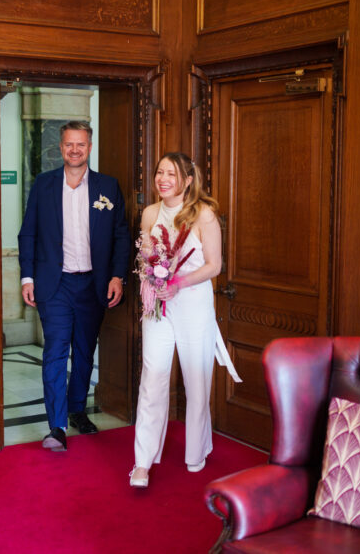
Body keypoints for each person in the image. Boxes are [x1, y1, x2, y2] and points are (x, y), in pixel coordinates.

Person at [129, 152, 242, 488]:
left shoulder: (204, 215)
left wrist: (177, 283)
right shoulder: (150, 212)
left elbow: (214, 266)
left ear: (188, 180)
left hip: (193, 304)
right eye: (159, 172)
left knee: (196, 380)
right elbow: (144, 257)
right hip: (158, 306)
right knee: (152, 377)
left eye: (172, 174)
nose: (163, 179)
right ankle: (142, 461)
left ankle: (196, 451)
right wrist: (150, 286)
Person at [18, 120, 130, 451]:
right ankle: (56, 426)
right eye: (69, 144)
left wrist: (117, 276)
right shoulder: (43, 185)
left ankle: (78, 409)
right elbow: (29, 233)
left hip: (93, 284)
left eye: (81, 144)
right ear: (61, 147)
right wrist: (27, 277)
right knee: (55, 351)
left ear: (89, 147)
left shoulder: (108, 187)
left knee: (84, 353)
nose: (75, 149)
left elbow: (121, 235)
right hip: (55, 284)